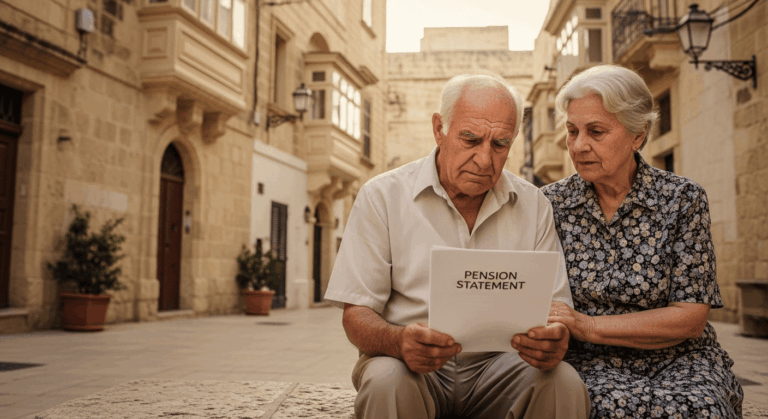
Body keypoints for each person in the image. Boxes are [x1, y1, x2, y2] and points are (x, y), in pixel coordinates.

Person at [324, 73, 590, 419]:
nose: (484, 159)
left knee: (563, 382)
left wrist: (554, 338)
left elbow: (555, 308)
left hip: (503, 365)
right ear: (439, 129)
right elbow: (355, 314)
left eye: (500, 144)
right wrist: (399, 341)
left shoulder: (533, 204)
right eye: (470, 139)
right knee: (385, 380)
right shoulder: (383, 196)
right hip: (409, 366)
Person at [542, 65, 743, 418]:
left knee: (703, 407)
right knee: (600, 406)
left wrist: (588, 325)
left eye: (596, 131)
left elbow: (690, 317)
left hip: (679, 357)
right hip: (587, 361)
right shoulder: (548, 204)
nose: (579, 145)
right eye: (573, 131)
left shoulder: (682, 199)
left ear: (638, 135)